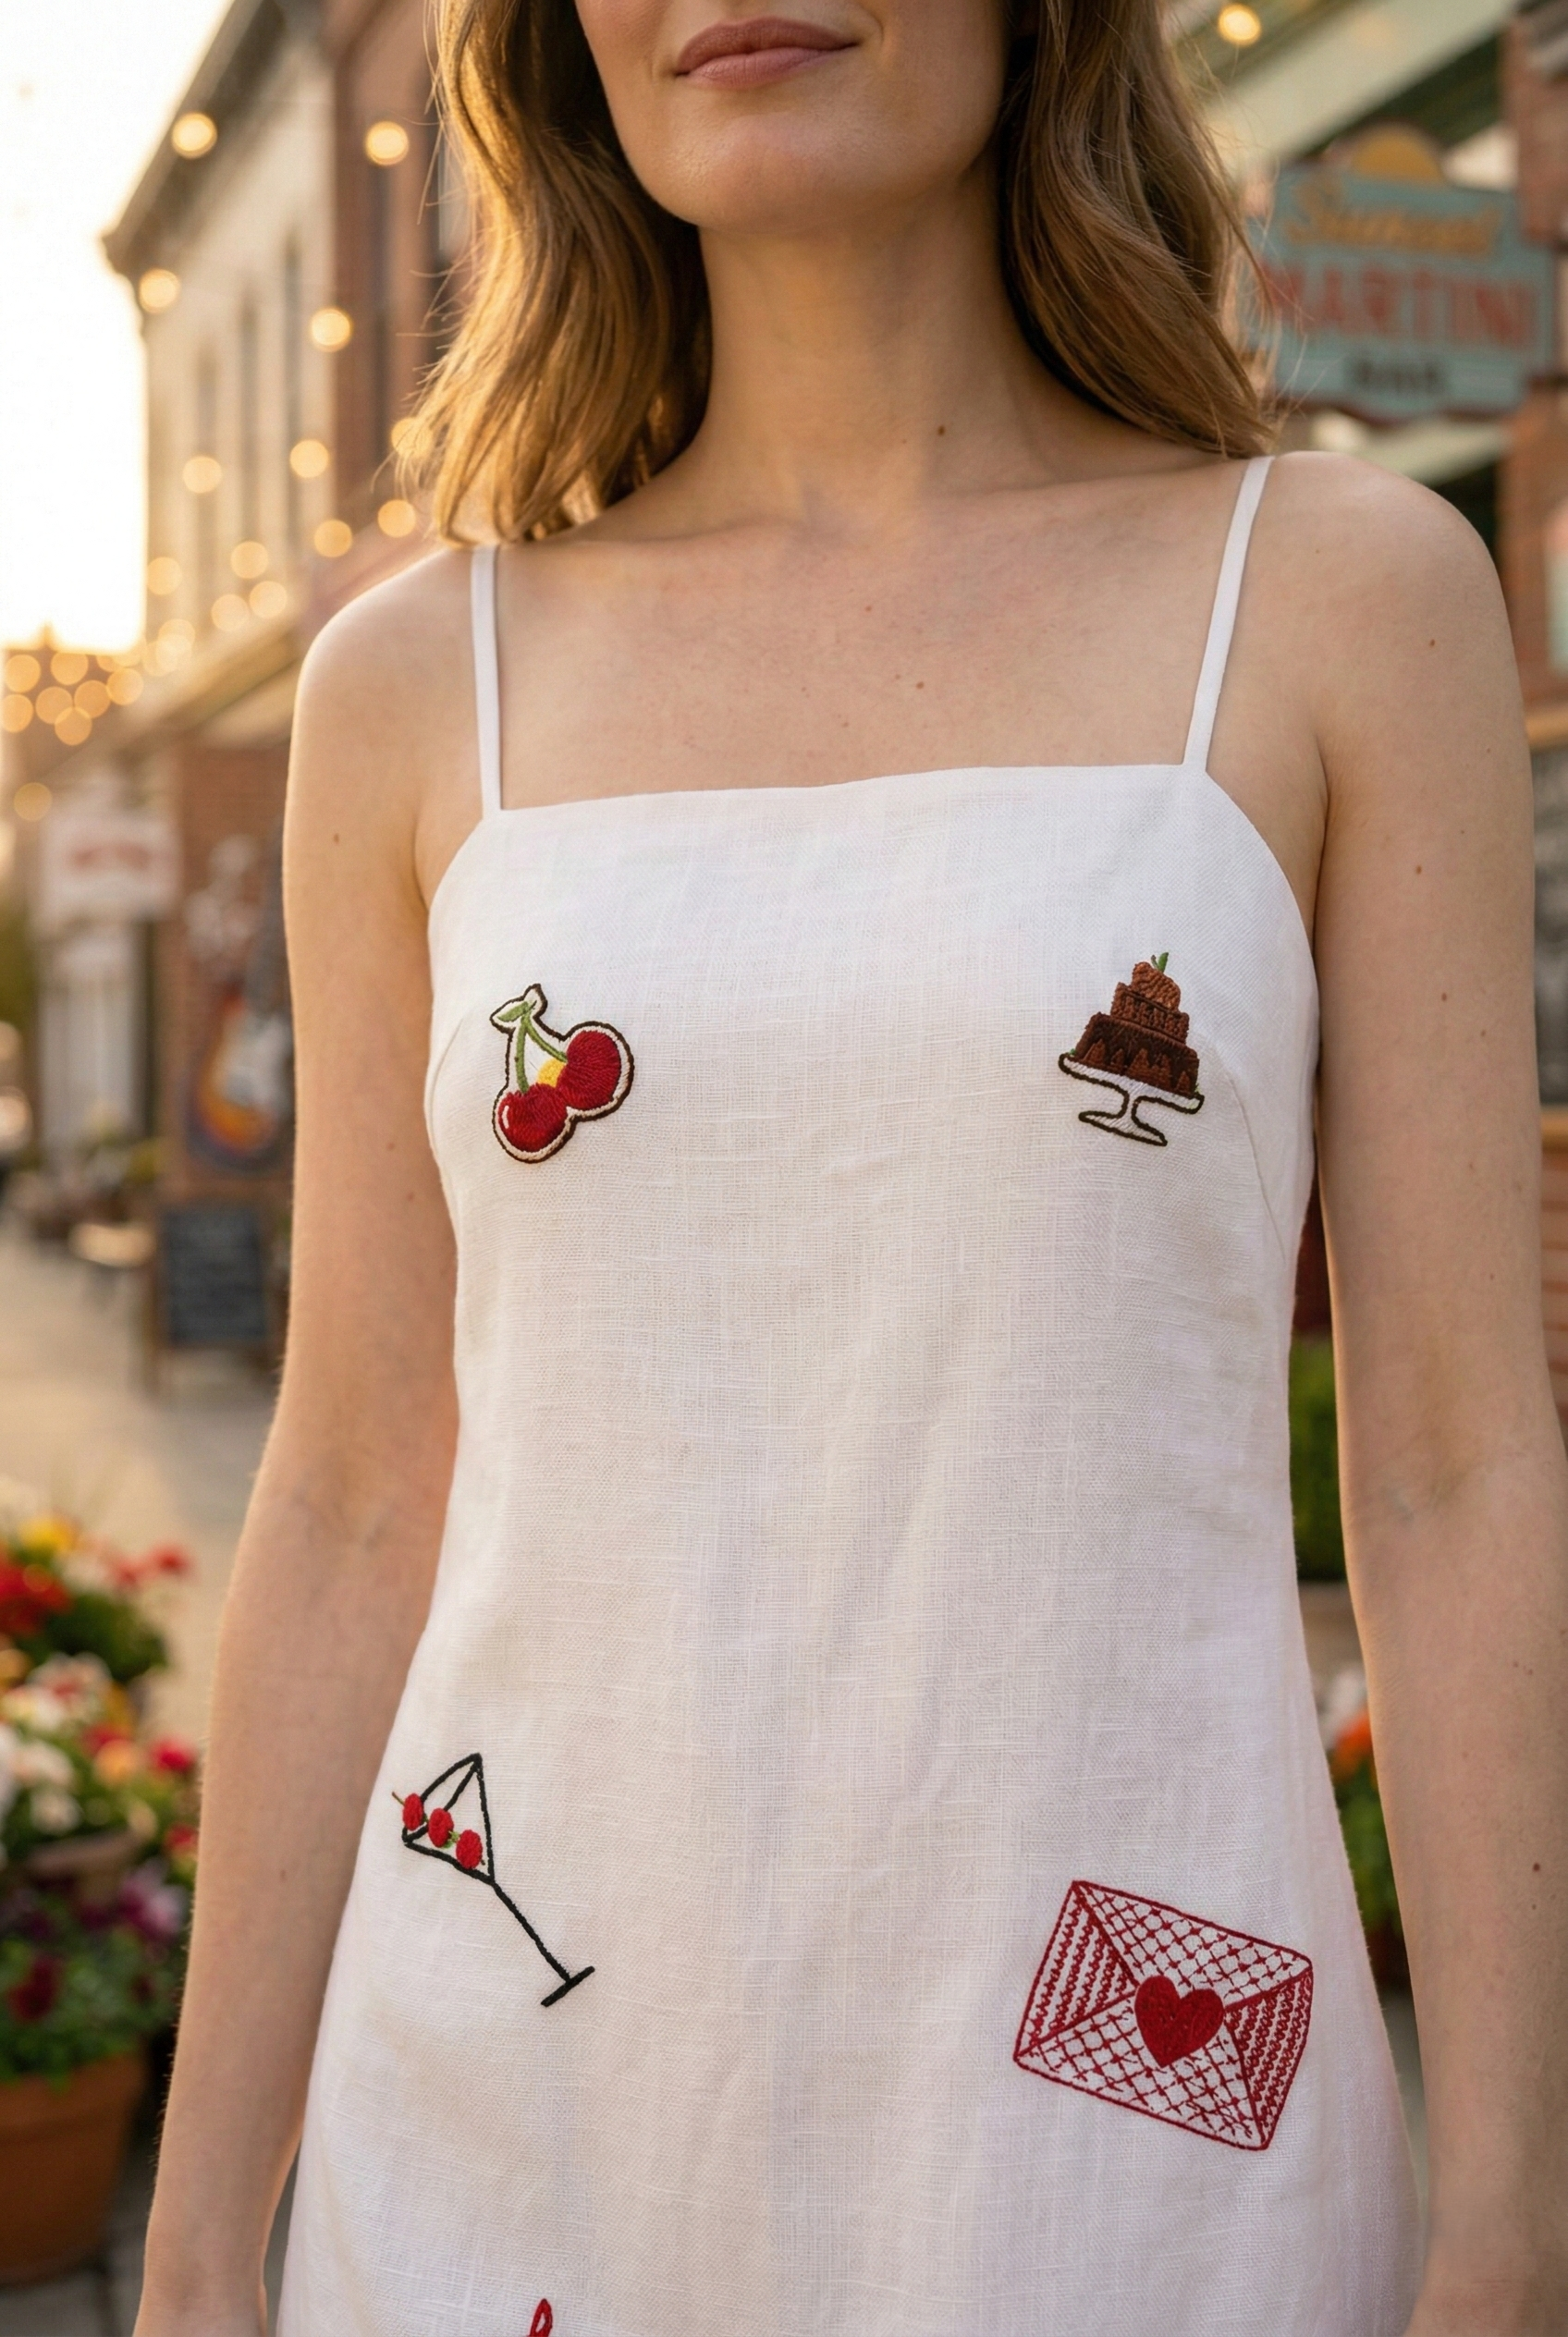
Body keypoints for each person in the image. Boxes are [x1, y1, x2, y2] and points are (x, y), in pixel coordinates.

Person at [135, 5, 1568, 2333]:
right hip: (509, 2132)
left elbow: (1447, 1467)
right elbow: (354, 1487)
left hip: (1133, 2166)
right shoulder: (417, 686)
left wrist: (1511, 2223)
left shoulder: (1331, 599)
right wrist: (200, 2242)